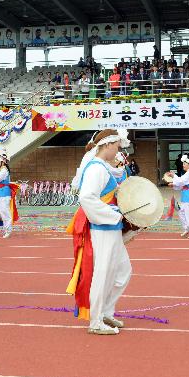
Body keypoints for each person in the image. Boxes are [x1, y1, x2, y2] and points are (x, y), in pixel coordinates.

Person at [66, 129, 132, 335]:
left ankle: (105, 311)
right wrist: (115, 215)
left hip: (111, 227)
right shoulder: (96, 168)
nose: (118, 150)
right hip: (103, 228)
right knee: (104, 274)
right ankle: (95, 321)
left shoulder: (103, 167)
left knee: (122, 271)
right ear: (107, 145)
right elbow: (87, 198)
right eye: (117, 146)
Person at [168, 154, 189, 239]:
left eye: (184, 163)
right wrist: (173, 185)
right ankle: (187, 228)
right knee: (181, 212)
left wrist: (173, 176)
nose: (183, 165)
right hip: (186, 196)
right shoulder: (188, 173)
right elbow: (182, 184)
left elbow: (180, 181)